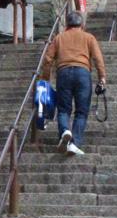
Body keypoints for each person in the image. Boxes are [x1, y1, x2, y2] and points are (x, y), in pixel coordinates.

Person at [41, 11, 106, 157]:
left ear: (67, 24)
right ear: (82, 24)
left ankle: (65, 130)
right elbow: (98, 58)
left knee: (63, 109)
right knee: (81, 112)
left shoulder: (59, 38)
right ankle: (74, 144)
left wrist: (46, 79)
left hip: (63, 73)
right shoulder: (89, 37)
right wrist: (102, 77)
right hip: (83, 74)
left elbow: (48, 59)